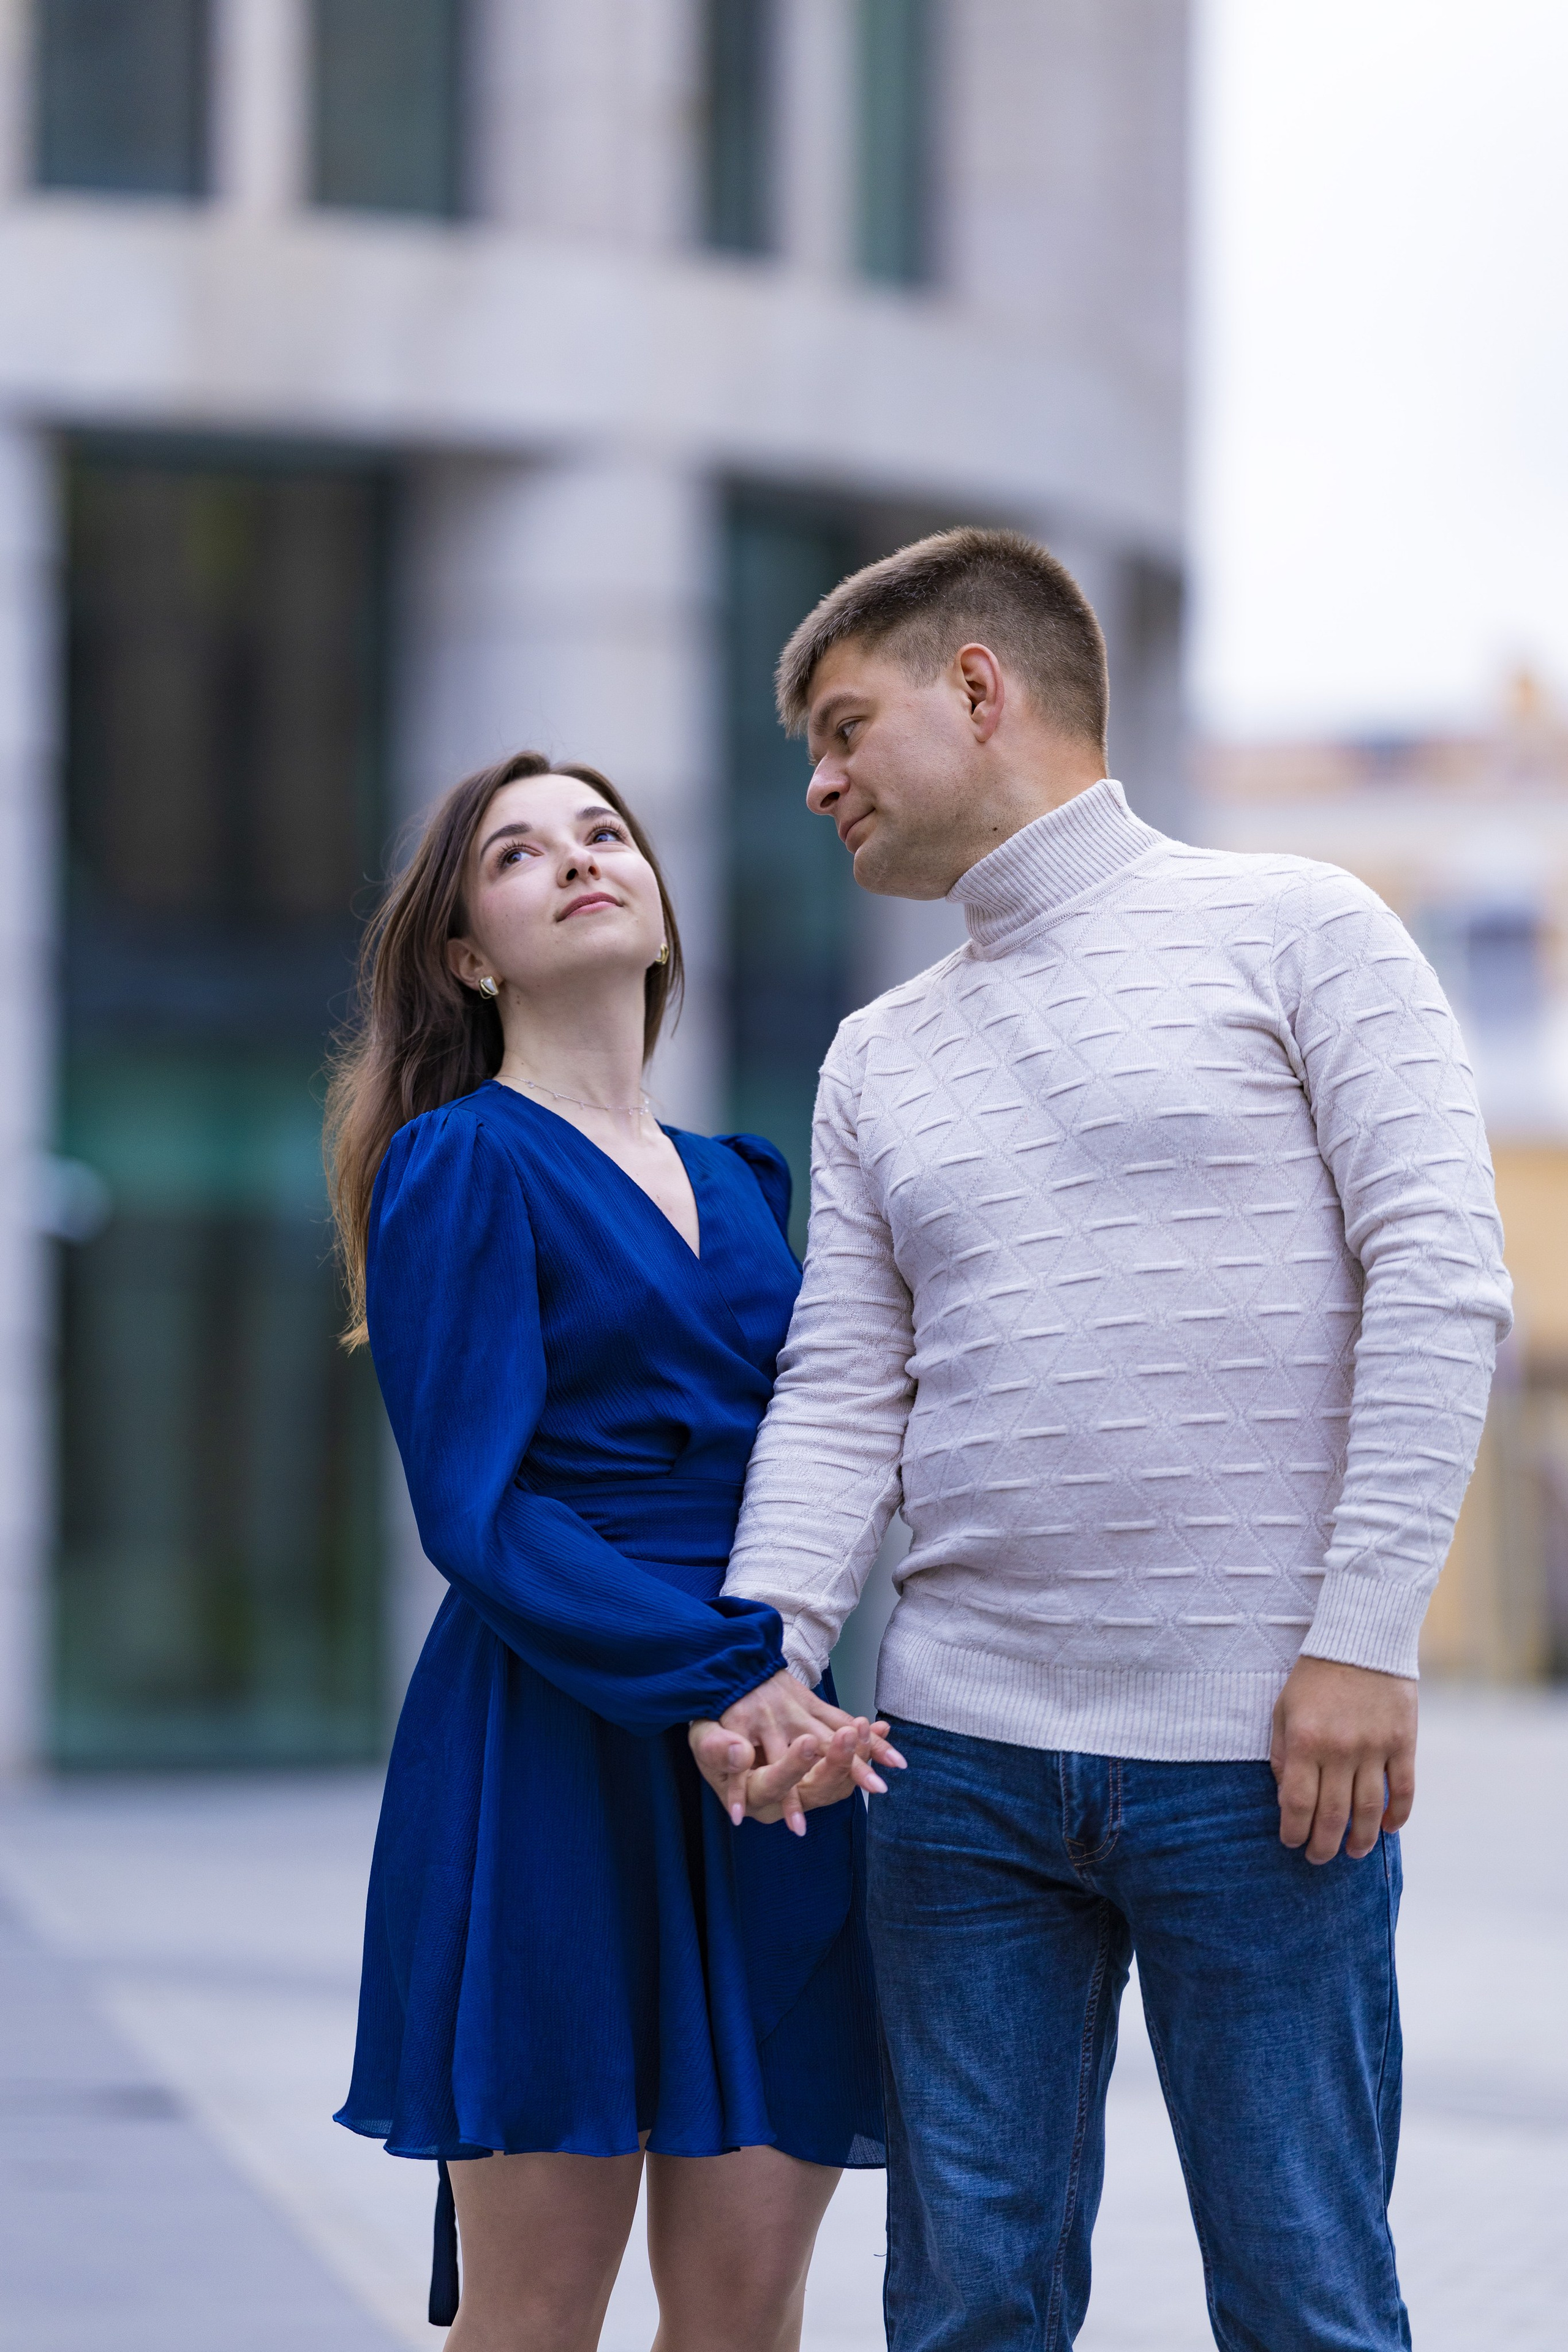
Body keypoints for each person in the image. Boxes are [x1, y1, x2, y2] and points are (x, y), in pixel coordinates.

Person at [694, 529, 1512, 2351]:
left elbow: (1445, 1285)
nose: (819, 783)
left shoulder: (1304, 928)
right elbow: (845, 1381)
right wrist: (768, 1648)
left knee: (1307, 2299)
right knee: (970, 2307)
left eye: (843, 728)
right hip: (956, 1767)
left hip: (1267, 1761)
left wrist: (1366, 1638)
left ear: (980, 687)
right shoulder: (876, 1056)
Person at [326, 751, 892, 2352]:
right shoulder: (460, 1160)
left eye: (604, 833)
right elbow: (480, 1509)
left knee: (745, 2309)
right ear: (467, 954)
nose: (578, 860)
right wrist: (723, 1684)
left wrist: (776, 1688)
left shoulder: (750, 1180)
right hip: (560, 1746)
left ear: (655, 906)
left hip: (774, 1745)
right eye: (518, 854)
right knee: (537, 2318)